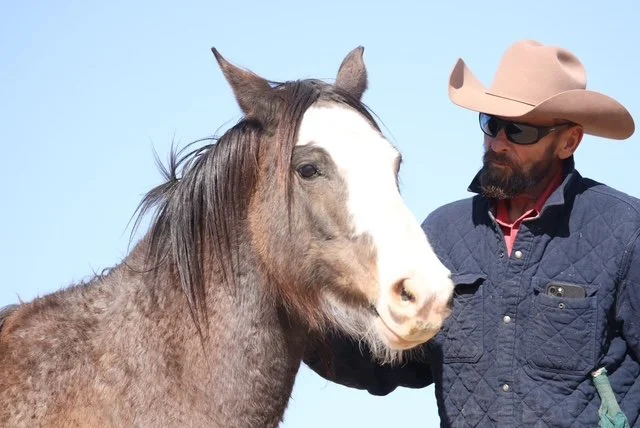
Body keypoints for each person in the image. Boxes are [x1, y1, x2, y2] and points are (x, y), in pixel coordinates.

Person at [304, 40, 639, 427]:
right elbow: (388, 363)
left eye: (519, 131)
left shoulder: (625, 229)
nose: (497, 142)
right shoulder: (444, 232)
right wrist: (295, 316)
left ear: (569, 141)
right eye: (490, 122)